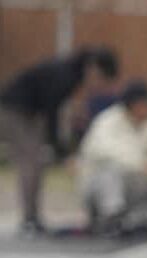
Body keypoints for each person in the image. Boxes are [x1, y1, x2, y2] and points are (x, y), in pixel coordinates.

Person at [0, 46, 120, 236]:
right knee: (30, 162)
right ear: (94, 68)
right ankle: (29, 219)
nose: (97, 86)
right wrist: (61, 151)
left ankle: (33, 216)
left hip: (28, 111)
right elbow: (52, 113)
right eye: (100, 79)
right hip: (14, 110)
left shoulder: (70, 71)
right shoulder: (65, 75)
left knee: (35, 162)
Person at [79, 79, 147, 238]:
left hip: (133, 186)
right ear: (135, 104)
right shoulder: (107, 121)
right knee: (110, 170)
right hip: (99, 191)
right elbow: (105, 152)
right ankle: (111, 219)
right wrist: (144, 165)